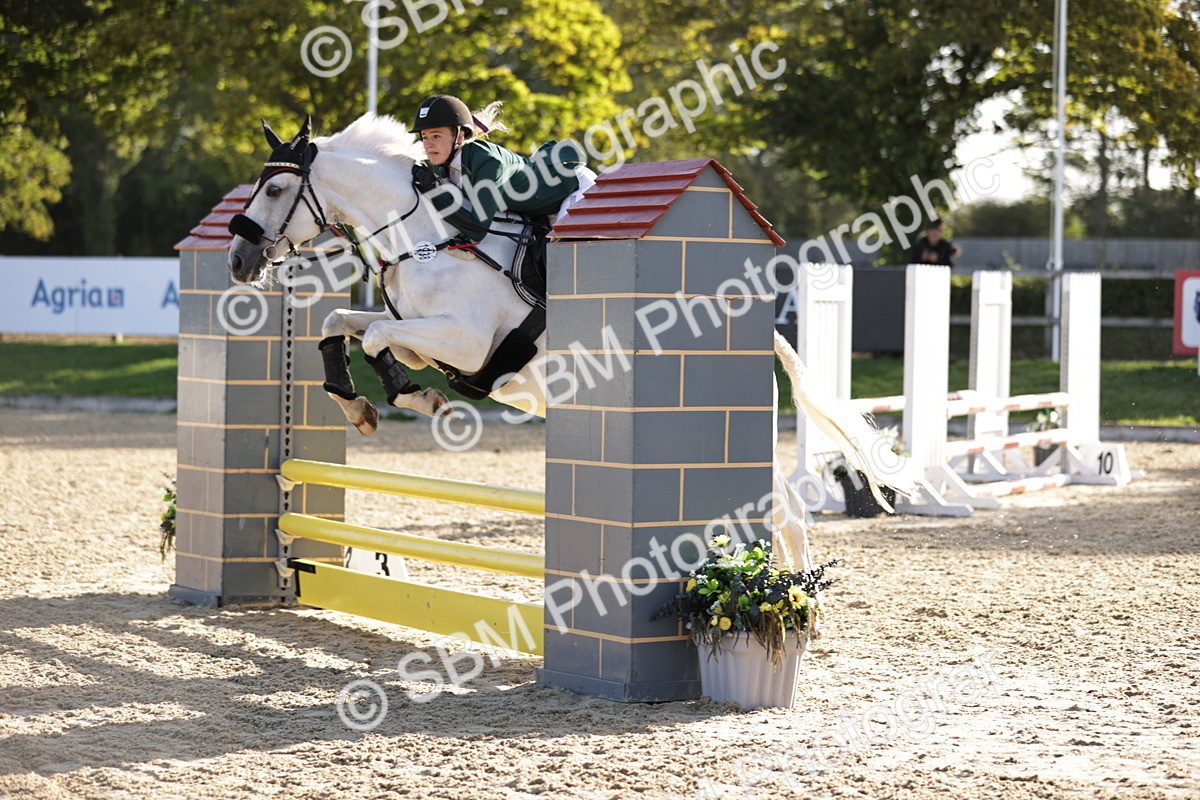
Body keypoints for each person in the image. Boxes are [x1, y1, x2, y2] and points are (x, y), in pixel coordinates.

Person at [410, 95, 595, 251]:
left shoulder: (487, 162)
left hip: (574, 187)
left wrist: (433, 191)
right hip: (543, 202)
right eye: (424, 137)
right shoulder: (443, 163)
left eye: (436, 136)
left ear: (459, 136)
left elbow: (477, 230)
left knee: (563, 253)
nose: (428, 144)